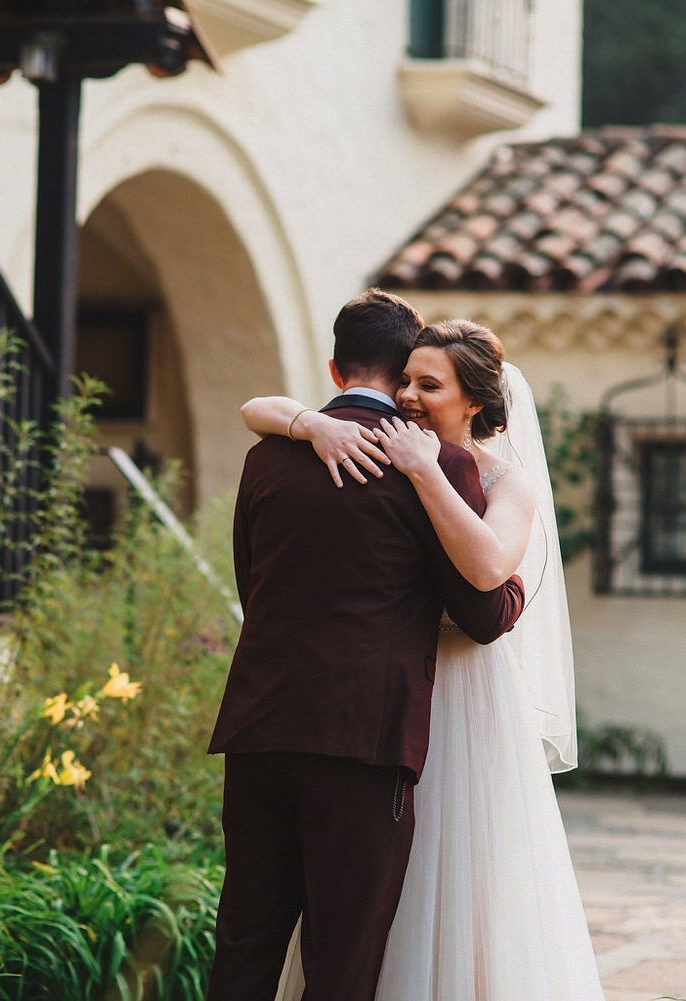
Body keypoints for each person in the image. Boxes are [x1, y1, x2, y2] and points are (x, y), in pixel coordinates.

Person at [242, 319, 605, 1001]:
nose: (406, 395)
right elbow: (254, 408)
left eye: (427, 384)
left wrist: (423, 470)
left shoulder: (502, 479)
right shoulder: (381, 451)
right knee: (367, 887)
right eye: (405, 378)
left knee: (459, 874)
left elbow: (489, 567)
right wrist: (311, 425)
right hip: (386, 691)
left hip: (465, 691)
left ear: (474, 402)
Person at [206, 292, 526, 1001]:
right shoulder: (435, 465)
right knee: (341, 963)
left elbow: (252, 583)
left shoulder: (270, 455)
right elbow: (478, 609)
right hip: (361, 742)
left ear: (334, 363)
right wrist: (515, 594)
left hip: (259, 726)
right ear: (403, 366)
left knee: (244, 946)